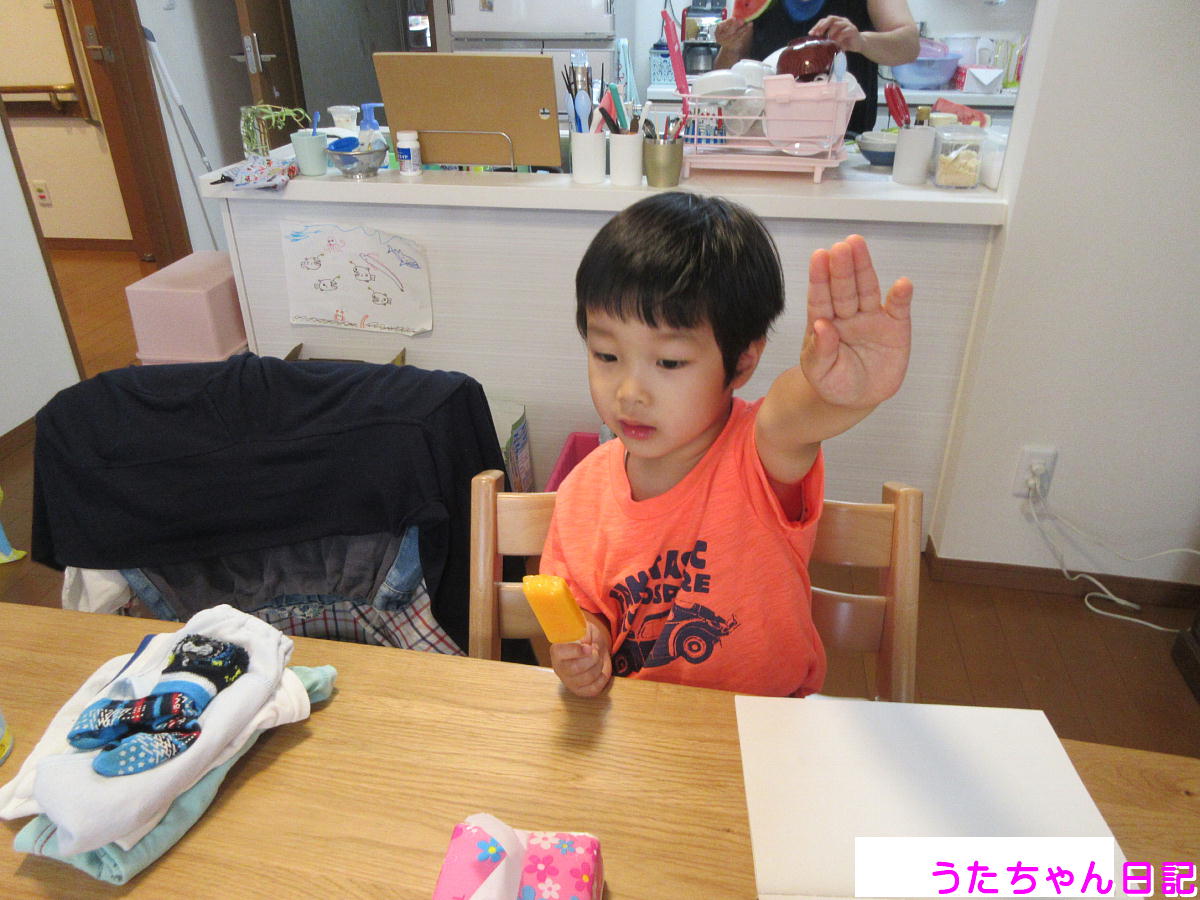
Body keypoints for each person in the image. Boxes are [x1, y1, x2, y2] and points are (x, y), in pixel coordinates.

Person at [540, 192, 913, 698]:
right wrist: (587, 646)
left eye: (669, 362)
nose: (629, 392)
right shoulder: (582, 492)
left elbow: (793, 413)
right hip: (640, 719)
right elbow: (589, 611)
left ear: (741, 363)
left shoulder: (759, 453)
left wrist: (837, 393)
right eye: (607, 355)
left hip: (767, 719)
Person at [714, 0, 920, 135]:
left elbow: (910, 45)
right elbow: (726, 79)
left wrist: (862, 41)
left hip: (845, 145)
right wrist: (730, 48)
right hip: (765, 146)